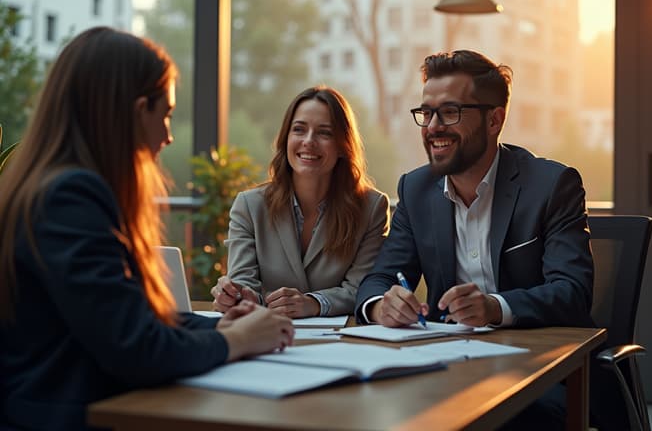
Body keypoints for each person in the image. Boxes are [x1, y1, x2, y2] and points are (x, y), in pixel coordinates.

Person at [0, 27, 293, 431]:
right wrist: (238, 340)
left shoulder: (49, 187)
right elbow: (137, 348)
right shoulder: (70, 198)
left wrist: (219, 326)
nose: (169, 137)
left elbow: (126, 319)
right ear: (139, 111)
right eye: (166, 114)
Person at [355, 49, 593, 429]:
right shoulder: (415, 189)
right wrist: (380, 306)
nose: (433, 126)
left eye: (450, 112)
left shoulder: (551, 185)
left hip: (532, 368)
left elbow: (572, 291)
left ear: (495, 119)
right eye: (426, 113)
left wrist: (494, 307)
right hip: (443, 365)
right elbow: (377, 280)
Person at [211, 86, 390, 318]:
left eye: (324, 133)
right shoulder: (249, 206)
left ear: (343, 147)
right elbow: (245, 282)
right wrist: (237, 296)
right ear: (286, 139)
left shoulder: (372, 208)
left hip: (340, 343)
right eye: (299, 130)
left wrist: (314, 303)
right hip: (267, 335)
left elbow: (361, 288)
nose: (308, 141)